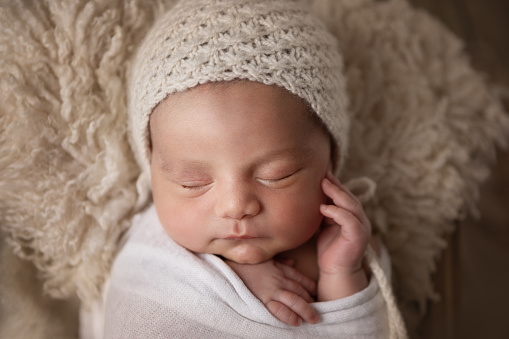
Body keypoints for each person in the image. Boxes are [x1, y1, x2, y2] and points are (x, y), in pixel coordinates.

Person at [80, 0, 407, 338]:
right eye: (192, 182)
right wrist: (236, 280)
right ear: (153, 172)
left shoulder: (348, 251)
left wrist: (342, 275)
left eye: (277, 175)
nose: (236, 206)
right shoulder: (152, 261)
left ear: (330, 159)